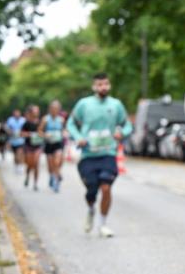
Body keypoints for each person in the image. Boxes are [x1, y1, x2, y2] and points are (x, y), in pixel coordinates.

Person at [66, 73, 133, 238]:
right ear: (94, 87)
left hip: (108, 153)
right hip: (88, 155)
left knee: (106, 187)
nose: (103, 87)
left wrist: (122, 133)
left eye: (106, 84)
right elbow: (70, 123)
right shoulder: (84, 104)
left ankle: (103, 224)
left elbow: (127, 125)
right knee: (91, 191)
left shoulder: (116, 105)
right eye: (100, 84)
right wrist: (78, 137)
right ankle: (90, 210)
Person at [40, 100, 67, 192]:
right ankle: (52, 176)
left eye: (57, 108)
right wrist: (45, 135)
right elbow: (39, 131)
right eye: (53, 108)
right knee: (50, 165)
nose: (55, 110)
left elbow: (64, 130)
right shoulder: (45, 119)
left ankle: (57, 181)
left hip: (58, 143)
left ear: (59, 109)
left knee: (57, 162)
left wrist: (64, 133)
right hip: (49, 144)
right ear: (50, 109)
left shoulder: (61, 120)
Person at [20, 106, 42, 189]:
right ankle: (28, 176)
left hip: (38, 146)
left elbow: (44, 132)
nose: (36, 113)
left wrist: (41, 134)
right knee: (30, 164)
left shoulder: (40, 122)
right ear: (31, 112)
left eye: (37, 111)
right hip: (29, 146)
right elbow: (21, 134)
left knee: (36, 163)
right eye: (35, 111)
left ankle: (35, 183)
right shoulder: (26, 123)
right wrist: (30, 134)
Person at [5, 109, 26, 173]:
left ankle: (21, 166)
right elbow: (7, 129)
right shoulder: (10, 120)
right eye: (15, 113)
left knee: (20, 153)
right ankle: (16, 165)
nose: (17, 114)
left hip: (21, 140)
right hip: (13, 140)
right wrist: (10, 132)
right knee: (15, 155)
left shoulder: (23, 120)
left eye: (18, 113)